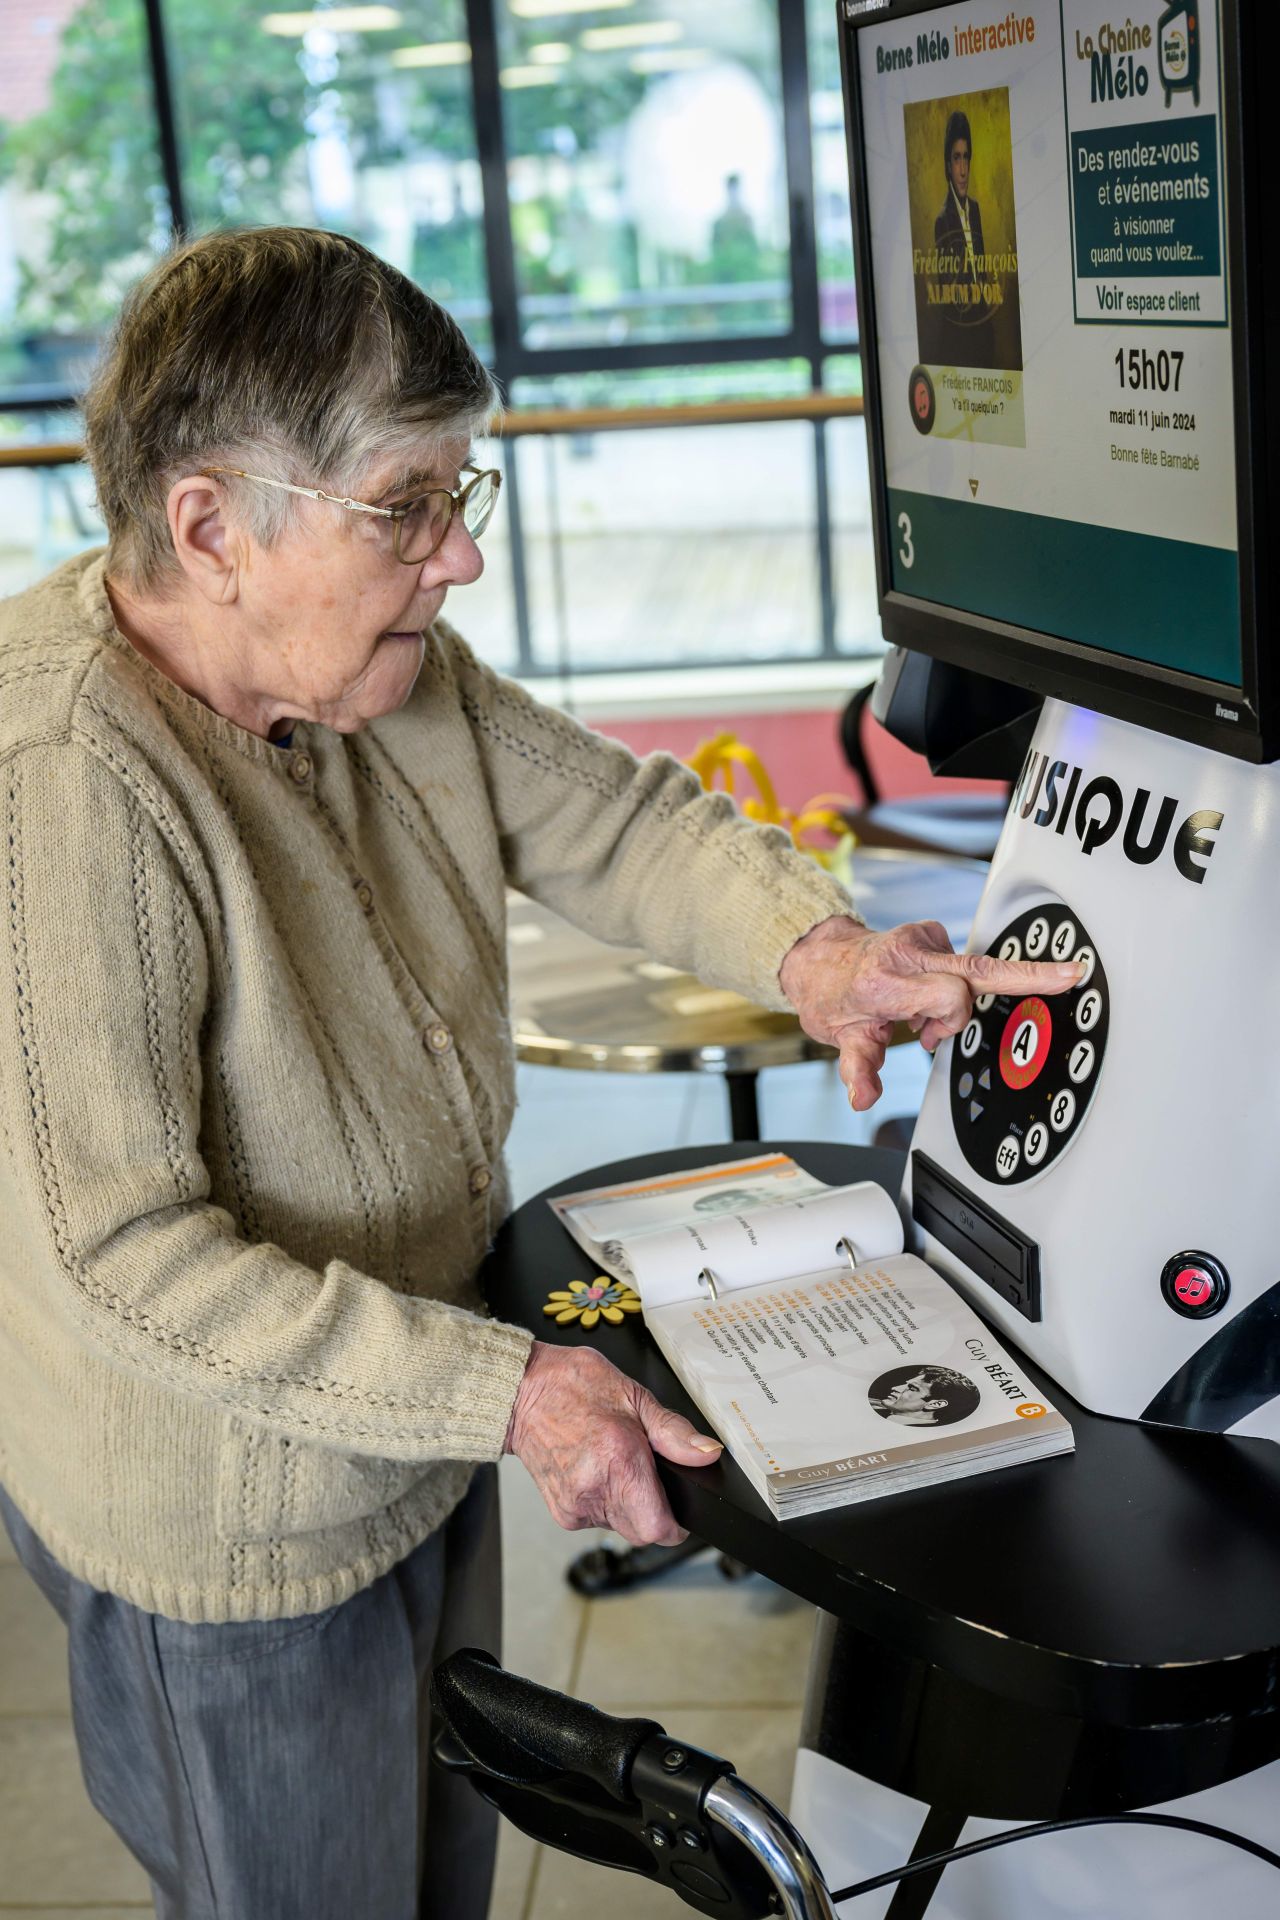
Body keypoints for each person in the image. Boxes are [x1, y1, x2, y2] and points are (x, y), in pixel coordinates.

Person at [0, 227, 1081, 1920]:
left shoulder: (376, 670)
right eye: (405, 504)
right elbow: (126, 1263)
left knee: (435, 1882)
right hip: (231, 1535)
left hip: (408, 1428)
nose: (457, 560)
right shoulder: (65, 784)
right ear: (212, 526)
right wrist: (514, 1393)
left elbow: (613, 818)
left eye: (461, 493)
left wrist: (827, 957)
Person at [869, 1364, 982, 1427]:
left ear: (935, 1404)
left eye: (913, 1388)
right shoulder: (874, 1406)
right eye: (906, 1384)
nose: (895, 1388)